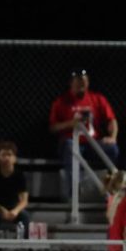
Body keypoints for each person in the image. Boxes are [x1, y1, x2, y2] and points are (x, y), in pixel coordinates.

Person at [49, 69, 119, 198]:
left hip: (92, 142)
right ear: (71, 83)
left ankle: (111, 189)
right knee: (71, 148)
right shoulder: (61, 101)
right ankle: (73, 194)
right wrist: (70, 123)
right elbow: (53, 127)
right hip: (71, 141)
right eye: (78, 82)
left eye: (84, 82)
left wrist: (112, 137)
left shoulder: (97, 99)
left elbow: (112, 120)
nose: (82, 85)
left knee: (112, 149)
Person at [0, 140, 30, 239]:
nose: (6, 158)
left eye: (9, 155)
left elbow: (24, 200)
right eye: (3, 155)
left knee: (25, 216)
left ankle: (24, 249)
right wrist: (1, 210)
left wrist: (15, 211)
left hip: (13, 207)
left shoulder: (20, 175)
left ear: (15, 158)